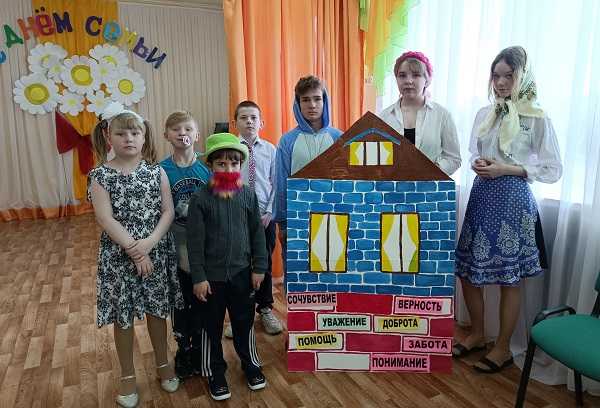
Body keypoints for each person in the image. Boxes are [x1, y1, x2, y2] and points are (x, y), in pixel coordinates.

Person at [454, 46, 562, 373]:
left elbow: (553, 169)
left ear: (523, 77)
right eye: (496, 75)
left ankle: (502, 347)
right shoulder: (485, 114)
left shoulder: (536, 117)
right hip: (482, 196)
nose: (500, 82)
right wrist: (479, 163)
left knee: (508, 279)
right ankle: (477, 333)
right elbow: (475, 152)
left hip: (514, 202)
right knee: (468, 273)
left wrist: (507, 169)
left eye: (509, 76)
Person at [88, 102, 183, 407]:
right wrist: (135, 251)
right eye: (121, 133)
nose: (128, 138)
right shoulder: (100, 175)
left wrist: (149, 244)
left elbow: (167, 212)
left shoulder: (156, 172)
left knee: (157, 311)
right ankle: (127, 376)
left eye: (134, 133)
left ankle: (163, 364)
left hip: (155, 252)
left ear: (144, 137)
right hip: (119, 258)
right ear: (109, 137)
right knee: (124, 316)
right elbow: (105, 218)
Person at [187, 133, 268, 400]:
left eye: (234, 163)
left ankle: (250, 364)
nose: (228, 168)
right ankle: (215, 371)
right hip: (211, 279)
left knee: (244, 322)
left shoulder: (248, 195)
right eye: (221, 164)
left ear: (240, 165)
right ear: (210, 166)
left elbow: (257, 234)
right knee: (211, 326)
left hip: (242, 273)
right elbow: (194, 243)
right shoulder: (200, 199)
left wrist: (259, 267)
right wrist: (198, 277)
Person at [274, 75, 343, 285]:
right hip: (299, 219)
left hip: (334, 217)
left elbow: (347, 181)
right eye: (305, 100)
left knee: (332, 272)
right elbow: (281, 184)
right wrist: (283, 223)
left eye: (317, 98)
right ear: (298, 103)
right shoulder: (287, 141)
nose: (312, 105)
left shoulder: (339, 138)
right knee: (298, 276)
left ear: (325, 101)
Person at [223, 101, 282, 338]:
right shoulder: (230, 150)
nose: (249, 121)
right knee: (238, 265)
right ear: (235, 123)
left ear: (261, 123)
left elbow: (276, 183)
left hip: (265, 218)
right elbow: (224, 183)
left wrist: (270, 212)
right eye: (244, 117)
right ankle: (240, 313)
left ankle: (265, 308)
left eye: (253, 118)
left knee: (263, 263)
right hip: (237, 217)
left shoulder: (271, 150)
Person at [160, 111, 211, 378]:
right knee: (180, 301)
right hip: (174, 246)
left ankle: (202, 347)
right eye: (176, 129)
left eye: (188, 129)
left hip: (204, 248)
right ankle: (183, 348)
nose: (183, 134)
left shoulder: (207, 167)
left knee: (203, 298)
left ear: (197, 135)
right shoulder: (161, 170)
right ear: (166, 135)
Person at [378, 50, 461, 175]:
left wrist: (434, 169)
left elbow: (454, 158)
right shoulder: (384, 117)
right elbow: (376, 158)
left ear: (427, 80)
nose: (408, 81)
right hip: (392, 185)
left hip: (429, 185)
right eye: (402, 75)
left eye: (416, 75)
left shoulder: (442, 115)